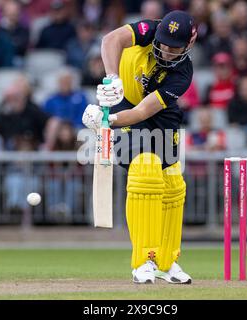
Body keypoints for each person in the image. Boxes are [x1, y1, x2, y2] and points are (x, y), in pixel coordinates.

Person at [82, 11, 197, 284]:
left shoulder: (183, 73)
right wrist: (113, 78)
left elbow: (145, 111)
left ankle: (167, 263)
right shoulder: (149, 29)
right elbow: (111, 39)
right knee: (145, 167)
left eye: (174, 48)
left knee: (172, 182)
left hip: (155, 113)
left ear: (189, 45)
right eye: (163, 44)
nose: (166, 52)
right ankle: (144, 260)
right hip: (123, 98)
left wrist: (105, 120)